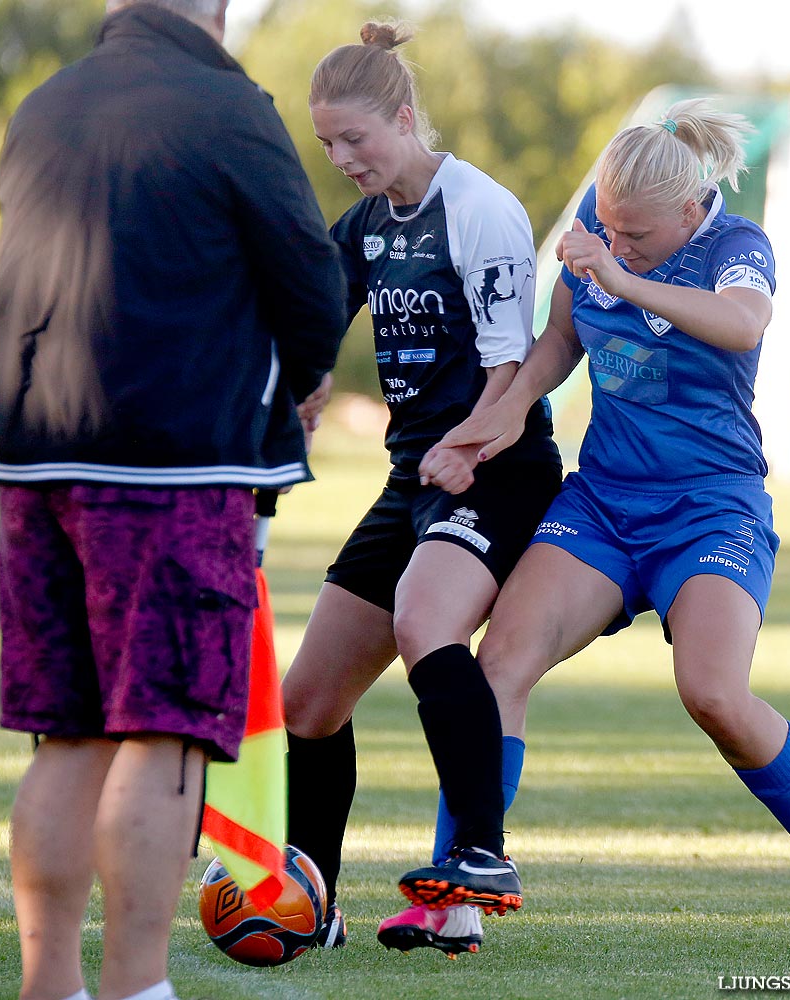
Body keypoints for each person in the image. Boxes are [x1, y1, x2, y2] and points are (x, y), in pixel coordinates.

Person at [406, 97, 790, 969]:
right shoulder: (607, 228)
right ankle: (462, 886)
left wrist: (624, 276)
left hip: (711, 509)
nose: (616, 241)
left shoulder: (737, 246)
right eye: (608, 225)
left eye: (637, 234)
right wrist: (500, 419)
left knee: (714, 694)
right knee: (499, 667)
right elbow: (559, 340)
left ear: (690, 210)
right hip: (602, 503)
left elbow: (744, 323)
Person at [0, 1, 347, 998]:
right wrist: (304, 377)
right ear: (215, 11)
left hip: (29, 457)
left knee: (68, 735)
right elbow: (312, 282)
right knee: (165, 728)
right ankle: (138, 986)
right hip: (172, 461)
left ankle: (46, 982)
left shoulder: (44, 104)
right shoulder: (226, 104)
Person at [280, 21, 562, 958]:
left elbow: (512, 372)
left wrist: (467, 446)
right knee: (310, 701)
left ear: (404, 117)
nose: (343, 158)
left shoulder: (478, 208)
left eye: (356, 138)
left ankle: (481, 856)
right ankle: (311, 902)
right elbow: (314, 317)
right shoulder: (367, 227)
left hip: (500, 467)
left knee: (422, 620)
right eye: (328, 144)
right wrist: (302, 389)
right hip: (417, 477)